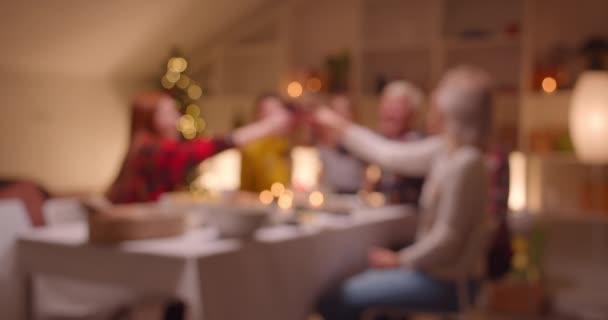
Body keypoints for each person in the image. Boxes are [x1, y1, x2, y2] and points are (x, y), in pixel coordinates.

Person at [315, 65, 494, 319]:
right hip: (433, 273)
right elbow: (388, 154)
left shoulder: (467, 163)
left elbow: (448, 238)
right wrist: (342, 127)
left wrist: (400, 261)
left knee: (340, 298)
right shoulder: (446, 150)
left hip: (449, 284)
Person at [107, 91, 290, 203]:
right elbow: (208, 147)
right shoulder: (152, 151)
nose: (177, 119)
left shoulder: (142, 147)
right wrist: (268, 125)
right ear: (151, 119)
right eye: (170, 113)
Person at [365, 81, 426, 205]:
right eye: (386, 104)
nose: (388, 111)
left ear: (413, 114)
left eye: (396, 107)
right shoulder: (375, 140)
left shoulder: (420, 145)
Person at [240, 94, 292, 193]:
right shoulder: (251, 148)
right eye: (267, 112)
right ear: (257, 115)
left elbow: (285, 184)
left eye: (276, 112)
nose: (274, 119)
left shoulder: (284, 145)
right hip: (256, 205)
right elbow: (246, 191)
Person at [317, 94, 365, 194]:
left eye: (345, 110)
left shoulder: (362, 144)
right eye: (336, 111)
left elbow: (369, 177)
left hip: (357, 198)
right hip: (329, 197)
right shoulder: (321, 145)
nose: (341, 115)